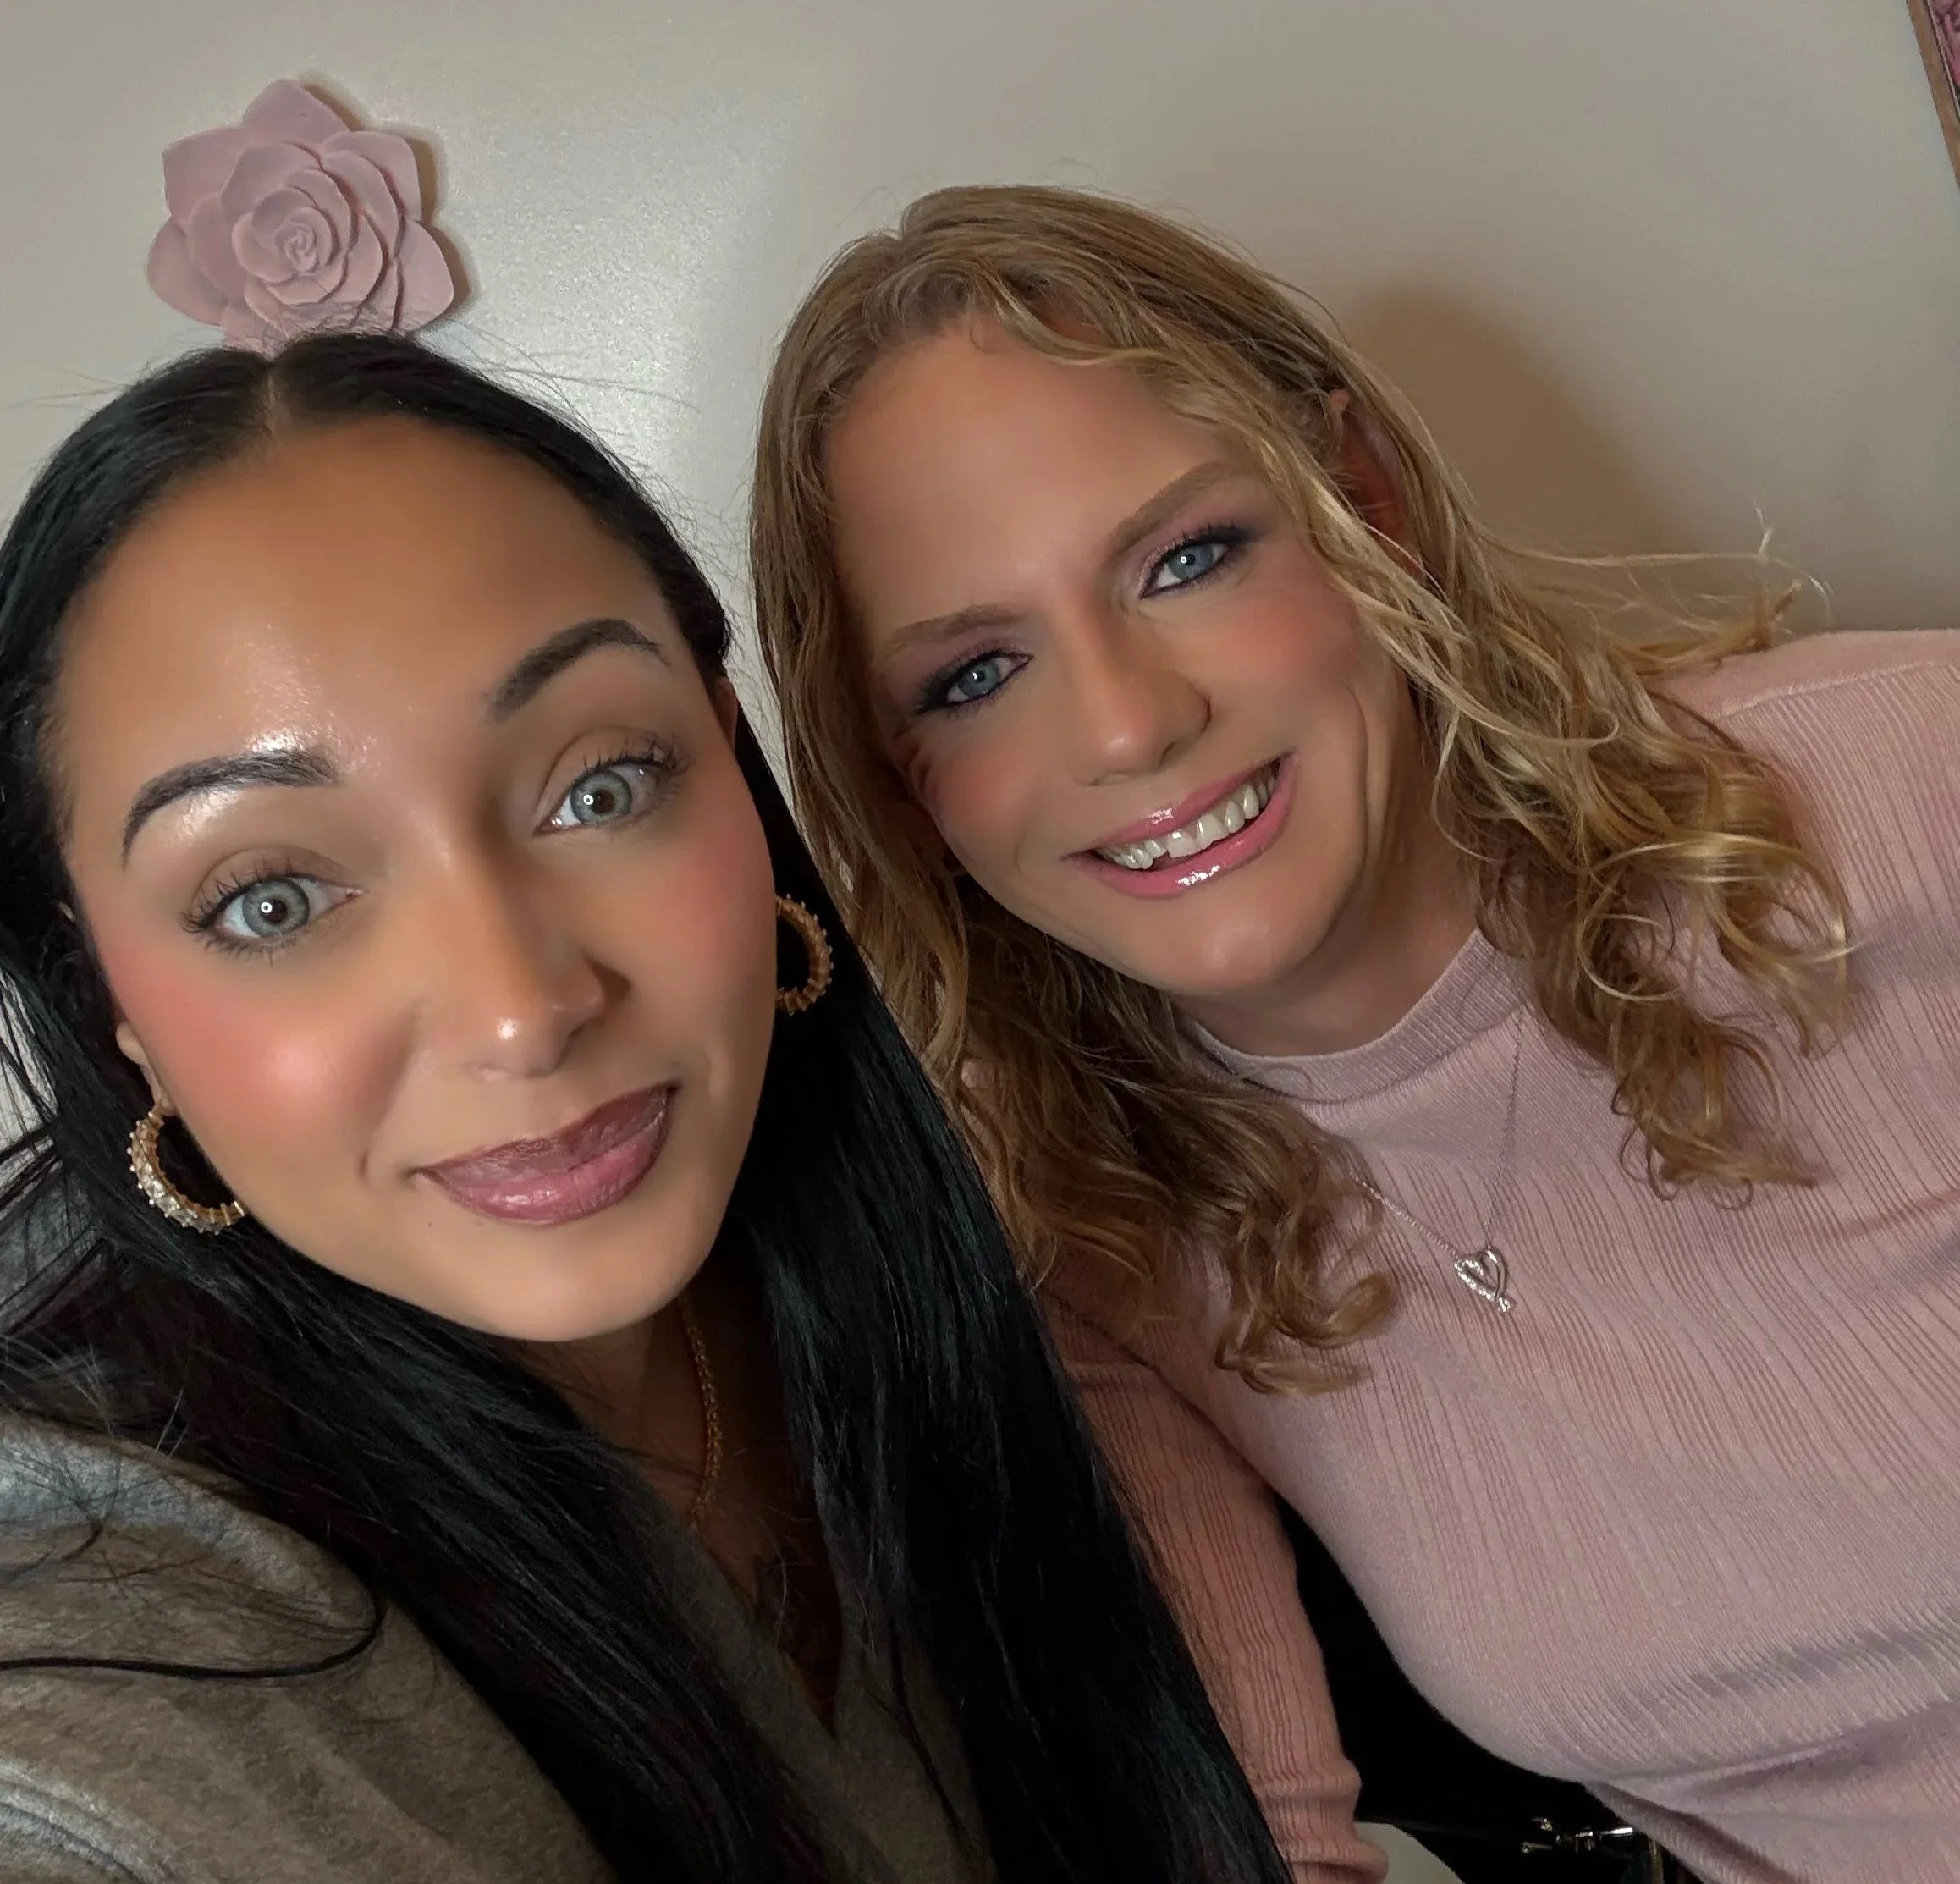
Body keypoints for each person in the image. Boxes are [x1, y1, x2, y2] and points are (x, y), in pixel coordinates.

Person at [746, 182, 1960, 1884]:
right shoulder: (1086, 1237)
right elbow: (1249, 1834)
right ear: (903, 786)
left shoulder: (1909, 783)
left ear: (1364, 506)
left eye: (1186, 560)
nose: (1128, 725)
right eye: (974, 676)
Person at [0, 331, 1309, 1884]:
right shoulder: (118, 1622)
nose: (520, 1006)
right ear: (110, 1002)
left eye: (601, 786)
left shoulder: (921, 1265)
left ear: (731, 762)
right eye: (271, 900)